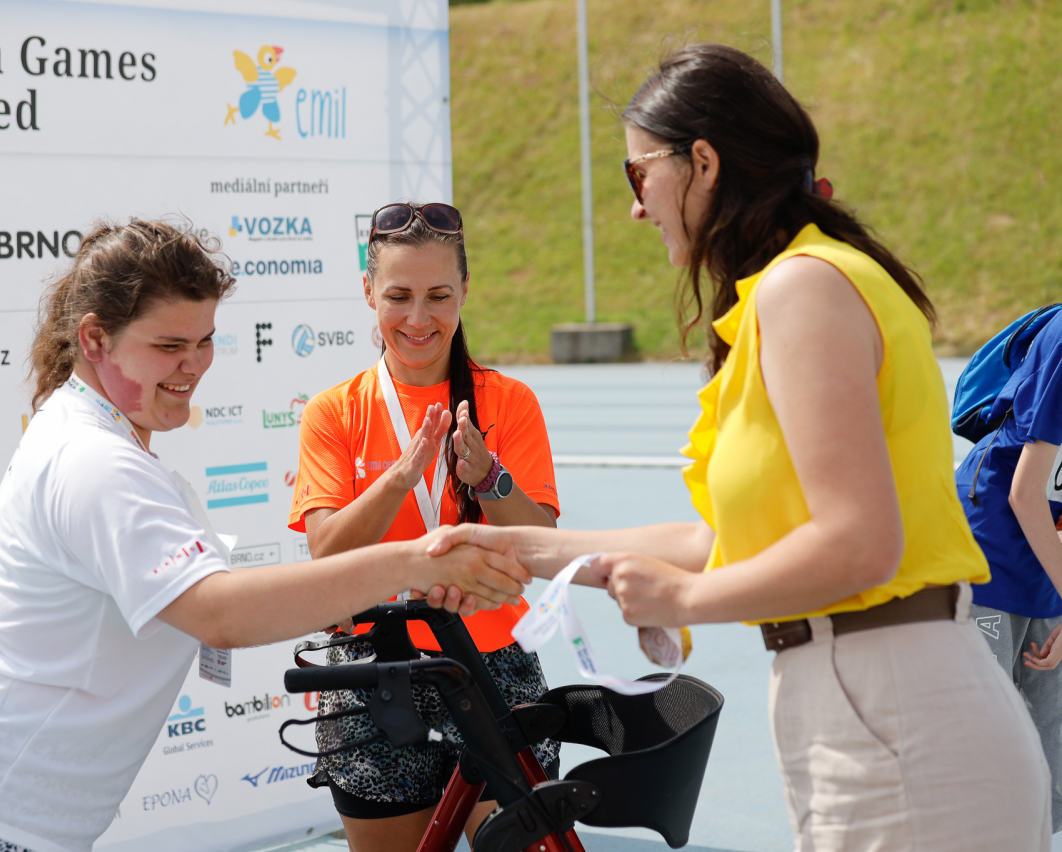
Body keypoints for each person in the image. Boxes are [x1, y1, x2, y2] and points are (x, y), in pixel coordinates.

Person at [428, 44, 1052, 850]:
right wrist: (514, 548)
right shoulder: (793, 289)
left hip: (894, 703)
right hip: (871, 698)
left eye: (637, 174)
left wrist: (683, 600)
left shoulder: (804, 287)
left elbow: (860, 543)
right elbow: (723, 542)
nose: (635, 208)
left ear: (703, 162)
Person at [0, 220, 530, 852]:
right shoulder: (95, 460)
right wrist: (411, 562)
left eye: (204, 342)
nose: (194, 365)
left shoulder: (96, 436)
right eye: (169, 346)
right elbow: (219, 614)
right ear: (94, 340)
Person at [288, 202, 560, 852]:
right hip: (374, 671)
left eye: (438, 295)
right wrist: (400, 478)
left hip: (492, 665)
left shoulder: (508, 401)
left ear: (464, 290)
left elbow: (543, 545)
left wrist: (490, 477)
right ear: (368, 292)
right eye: (398, 296)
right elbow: (327, 550)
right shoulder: (333, 411)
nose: (418, 318)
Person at [957, 308, 1062, 830]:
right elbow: (1025, 492)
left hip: (1049, 556)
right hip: (990, 552)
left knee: (1051, 766)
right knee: (982, 752)